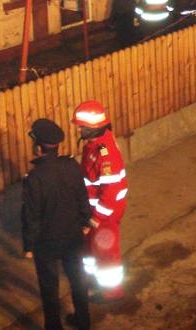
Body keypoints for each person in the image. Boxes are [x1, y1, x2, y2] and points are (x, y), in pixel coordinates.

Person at [22, 119, 91, 330]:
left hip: (47, 243)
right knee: (78, 280)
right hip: (73, 235)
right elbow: (82, 196)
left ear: (37, 146)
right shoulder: (71, 165)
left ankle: (53, 326)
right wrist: (86, 220)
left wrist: (29, 246)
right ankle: (84, 322)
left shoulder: (35, 178)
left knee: (49, 288)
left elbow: (31, 216)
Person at [72, 100, 128, 301]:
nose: (78, 129)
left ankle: (111, 292)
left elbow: (111, 192)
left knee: (106, 254)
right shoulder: (94, 145)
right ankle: (94, 280)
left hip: (104, 214)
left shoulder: (105, 153)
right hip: (94, 212)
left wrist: (94, 219)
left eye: (81, 126)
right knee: (91, 249)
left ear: (92, 127)